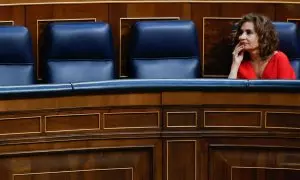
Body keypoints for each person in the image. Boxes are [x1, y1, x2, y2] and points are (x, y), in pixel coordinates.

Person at [228, 13, 296, 80]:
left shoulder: (279, 58)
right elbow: (230, 89)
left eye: (248, 32)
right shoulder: (240, 61)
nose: (241, 37)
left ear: (262, 36)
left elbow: (287, 90)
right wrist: (235, 64)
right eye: (241, 33)